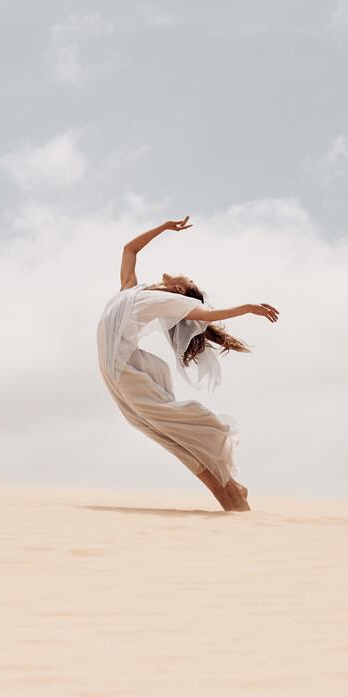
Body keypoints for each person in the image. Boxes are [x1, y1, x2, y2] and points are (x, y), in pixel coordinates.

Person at [95, 217, 279, 512]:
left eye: (189, 279)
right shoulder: (132, 289)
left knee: (167, 426)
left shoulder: (170, 301)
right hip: (114, 367)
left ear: (181, 291)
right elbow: (129, 249)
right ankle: (230, 492)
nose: (187, 276)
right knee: (163, 432)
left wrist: (248, 308)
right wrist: (164, 228)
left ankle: (229, 487)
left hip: (123, 368)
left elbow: (207, 315)